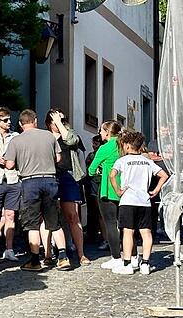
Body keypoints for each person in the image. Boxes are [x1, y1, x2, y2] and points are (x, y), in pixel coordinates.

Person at [2, 109, 69, 272]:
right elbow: (58, 158)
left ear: (20, 124)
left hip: (29, 182)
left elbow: (9, 164)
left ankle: (34, 260)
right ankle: (63, 257)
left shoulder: (16, 140)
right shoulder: (49, 136)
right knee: (54, 221)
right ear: (36, 121)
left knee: (32, 223)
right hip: (50, 180)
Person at [109, 130, 168, 275]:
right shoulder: (147, 161)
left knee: (128, 232)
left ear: (128, 146)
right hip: (144, 201)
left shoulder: (122, 161)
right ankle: (146, 264)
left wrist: (118, 190)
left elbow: (112, 175)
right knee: (146, 233)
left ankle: (128, 264)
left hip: (128, 200)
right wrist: (155, 191)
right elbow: (163, 175)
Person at [45, 109, 90, 266]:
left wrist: (60, 122)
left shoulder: (69, 134)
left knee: (73, 216)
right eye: (56, 121)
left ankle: (81, 254)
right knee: (50, 216)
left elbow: (71, 141)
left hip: (68, 176)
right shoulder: (45, 137)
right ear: (48, 123)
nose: (59, 123)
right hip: (51, 176)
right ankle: (48, 253)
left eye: (62, 120)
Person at [88, 120, 124, 270]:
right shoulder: (123, 145)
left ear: (108, 132)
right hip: (125, 189)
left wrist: (99, 170)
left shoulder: (104, 148)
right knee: (126, 225)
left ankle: (116, 257)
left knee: (110, 223)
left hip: (108, 190)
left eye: (102, 131)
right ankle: (132, 256)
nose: (100, 134)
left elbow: (91, 169)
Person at [0, 107, 20, 262]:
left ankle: (9, 249)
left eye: (9, 119)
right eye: (5, 120)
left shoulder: (16, 136)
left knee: (11, 214)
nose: (9, 122)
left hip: (13, 178)